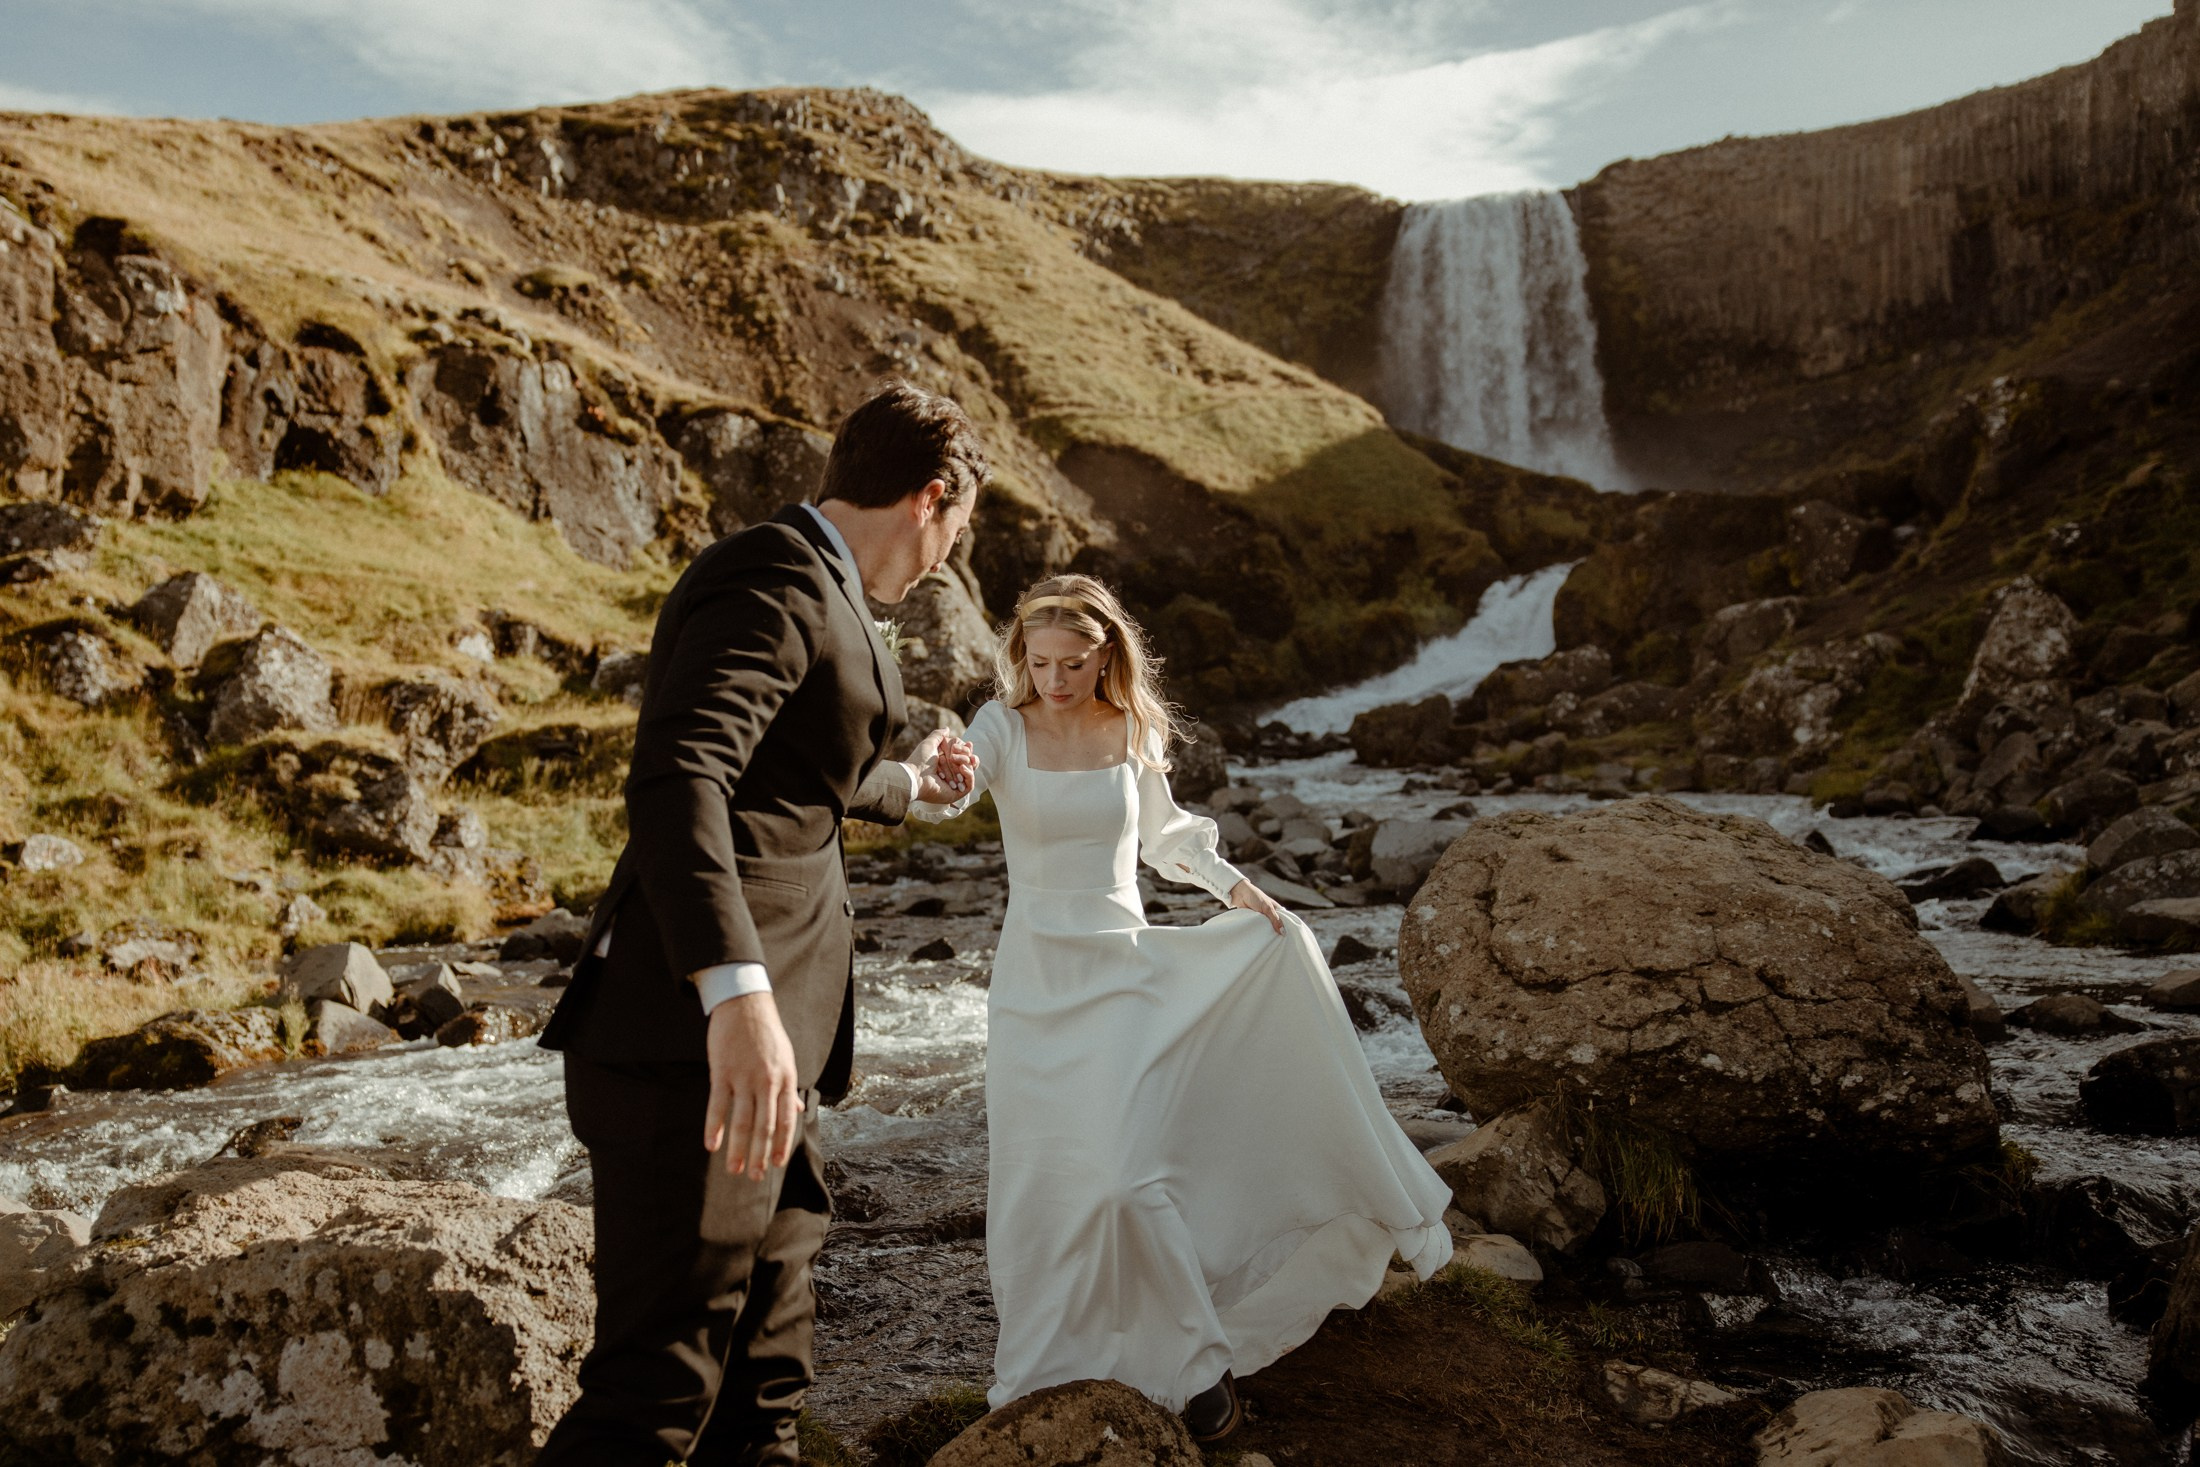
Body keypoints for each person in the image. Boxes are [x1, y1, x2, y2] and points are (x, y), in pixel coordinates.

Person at [536, 382, 987, 1466]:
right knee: (655, 1394)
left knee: (763, 1390)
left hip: (770, 1064)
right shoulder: (773, 573)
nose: (942, 568)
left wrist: (907, 786)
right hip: (693, 1047)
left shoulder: (818, 581)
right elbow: (683, 773)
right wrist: (732, 994)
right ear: (931, 500)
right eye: (954, 538)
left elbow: (787, 782)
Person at [911, 573, 1454, 1443]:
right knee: (1048, 1184)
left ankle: (1195, 1365)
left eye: (1072, 663)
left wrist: (1241, 891)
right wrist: (936, 773)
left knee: (1129, 1179)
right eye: (1039, 661)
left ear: (1105, 658)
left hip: (1123, 975)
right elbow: (955, 791)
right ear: (1021, 657)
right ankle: (1055, 1364)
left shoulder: (1130, 729)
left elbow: (1166, 838)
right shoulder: (1000, 730)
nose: (1053, 678)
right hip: (1034, 990)